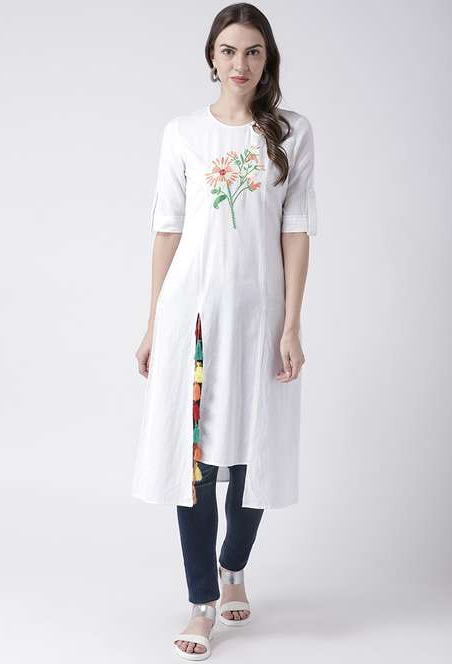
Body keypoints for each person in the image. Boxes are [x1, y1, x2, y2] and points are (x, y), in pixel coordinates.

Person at [133, 2, 317, 659]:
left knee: (251, 454)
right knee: (195, 461)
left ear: (268, 59)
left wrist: (291, 324)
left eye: (254, 51)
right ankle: (202, 602)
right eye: (230, 51)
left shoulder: (291, 133)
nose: (241, 63)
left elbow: (296, 229)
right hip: (193, 317)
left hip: (261, 317)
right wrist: (153, 324)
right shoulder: (182, 132)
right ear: (212, 58)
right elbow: (167, 230)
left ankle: (233, 565)